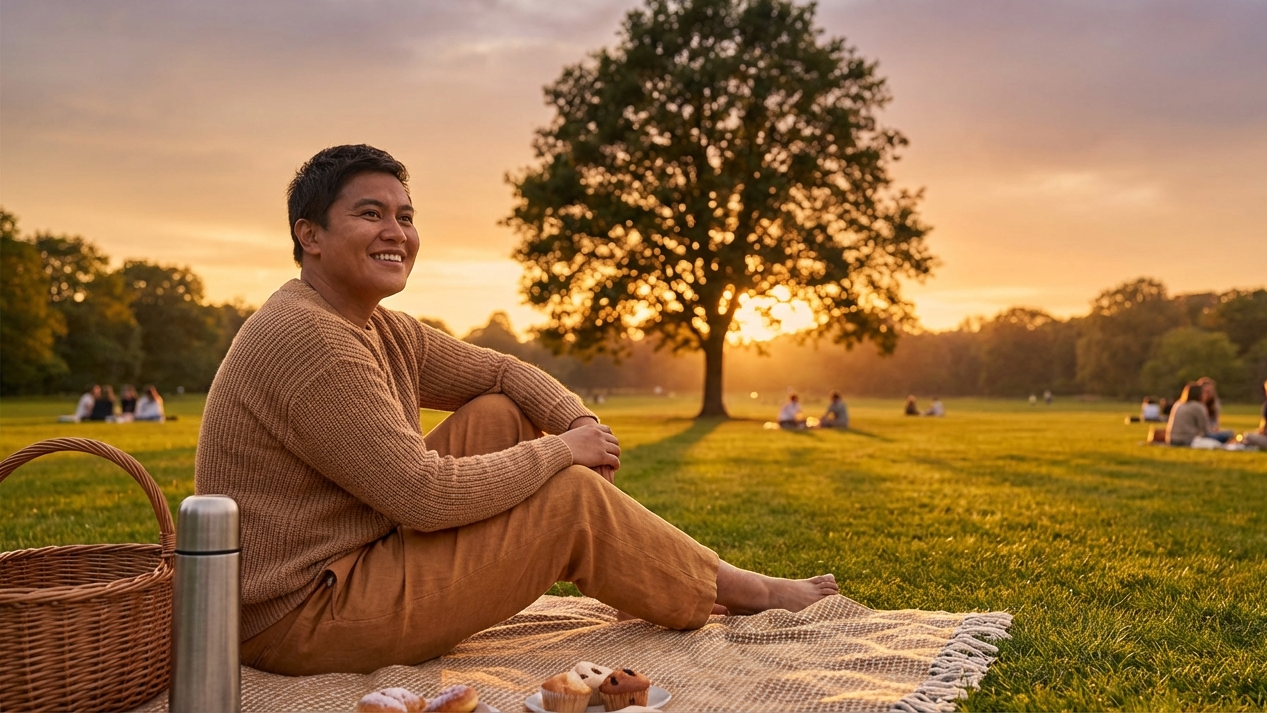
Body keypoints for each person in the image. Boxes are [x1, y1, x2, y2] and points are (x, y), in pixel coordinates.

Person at [195, 145, 838, 676]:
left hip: (357, 552)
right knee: (569, 502)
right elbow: (421, 497)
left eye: (405, 215)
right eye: (370, 213)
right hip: (298, 616)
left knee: (502, 411)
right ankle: (732, 587)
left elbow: (501, 371)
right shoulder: (308, 338)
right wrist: (563, 452)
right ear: (309, 235)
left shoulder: (378, 326)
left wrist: (579, 422)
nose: (397, 232)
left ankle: (650, 572)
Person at [1195, 377, 1234, 443]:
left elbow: (1216, 424)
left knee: (1230, 433)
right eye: (1206, 392)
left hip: (1211, 432)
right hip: (1200, 434)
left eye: (1210, 391)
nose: (1208, 394)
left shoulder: (1214, 404)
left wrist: (1215, 430)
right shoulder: (1196, 405)